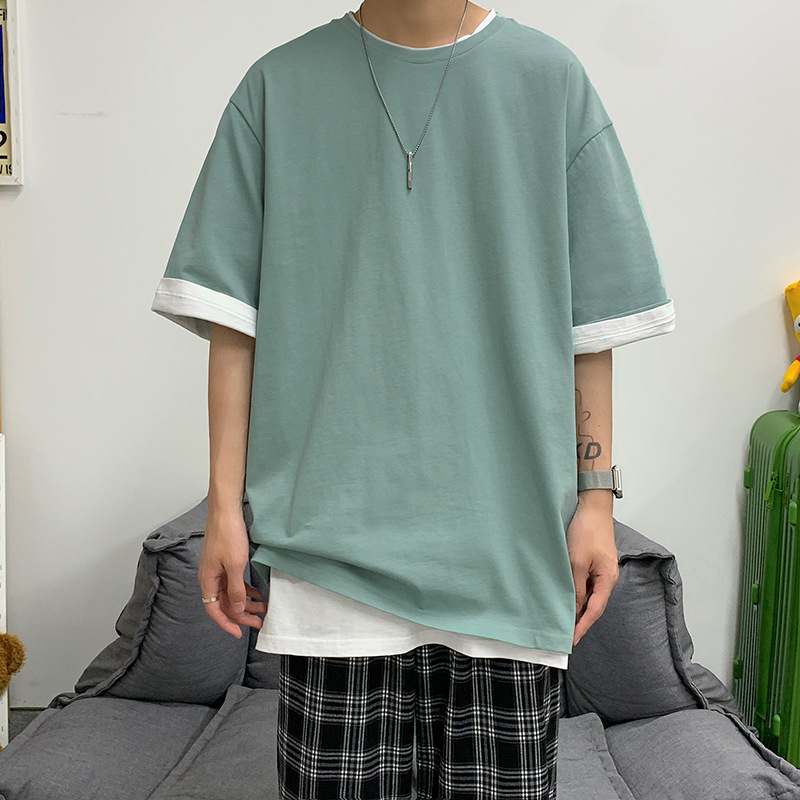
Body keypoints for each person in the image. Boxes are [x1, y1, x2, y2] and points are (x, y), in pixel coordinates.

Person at [150, 2, 676, 798]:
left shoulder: (550, 80)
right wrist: (224, 507)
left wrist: (595, 499)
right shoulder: (278, 87)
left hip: (509, 556)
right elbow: (234, 327)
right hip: (330, 560)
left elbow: (591, 325)